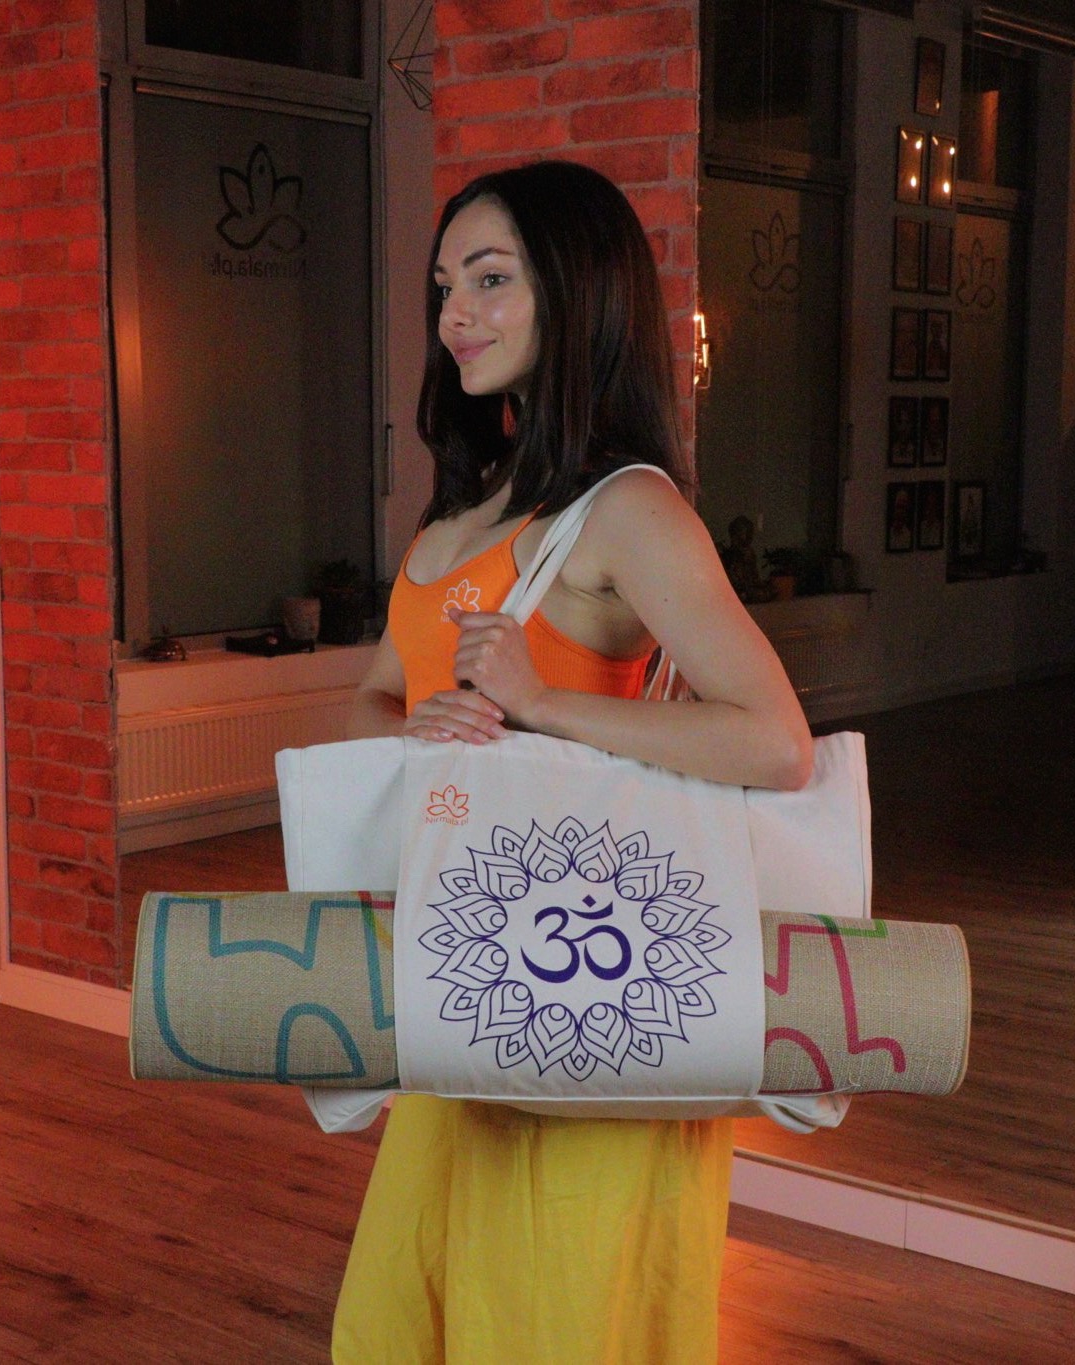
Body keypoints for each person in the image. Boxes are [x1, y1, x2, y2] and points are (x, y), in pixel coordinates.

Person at [332, 160, 813, 1363]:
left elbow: (774, 738)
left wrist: (541, 706)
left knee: (552, 1327)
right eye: (446, 285)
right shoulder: (462, 513)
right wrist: (419, 729)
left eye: (491, 280)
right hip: (465, 974)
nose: (455, 314)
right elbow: (375, 695)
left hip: (590, 977)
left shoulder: (629, 511)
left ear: (578, 293)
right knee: (405, 1319)